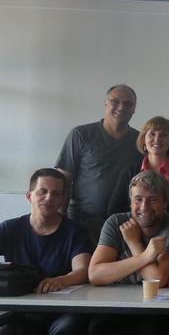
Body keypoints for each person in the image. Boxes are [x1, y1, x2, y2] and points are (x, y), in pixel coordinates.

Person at [88, 170, 169, 335]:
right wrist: (146, 256)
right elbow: (95, 275)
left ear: (165, 202)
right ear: (130, 202)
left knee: (150, 329)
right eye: (138, 199)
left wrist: (133, 243)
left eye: (152, 200)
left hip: (156, 306)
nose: (144, 207)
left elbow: (158, 279)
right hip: (115, 303)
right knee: (98, 327)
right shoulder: (115, 223)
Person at [0, 169, 91, 335]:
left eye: (56, 194)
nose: (49, 198)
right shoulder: (9, 228)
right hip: (19, 312)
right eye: (43, 191)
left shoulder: (75, 231)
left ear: (63, 200)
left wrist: (61, 280)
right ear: (29, 196)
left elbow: (83, 271)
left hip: (63, 311)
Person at [55, 84, 142, 242]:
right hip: (81, 222)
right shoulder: (81, 135)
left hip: (123, 225)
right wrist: (60, 220)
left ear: (134, 108)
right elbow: (63, 181)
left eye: (128, 103)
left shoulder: (140, 141)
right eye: (115, 101)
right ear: (105, 104)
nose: (121, 107)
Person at [108, 116, 169, 229]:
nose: (157, 139)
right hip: (135, 235)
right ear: (143, 139)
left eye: (164, 135)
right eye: (152, 134)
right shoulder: (129, 172)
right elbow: (115, 210)